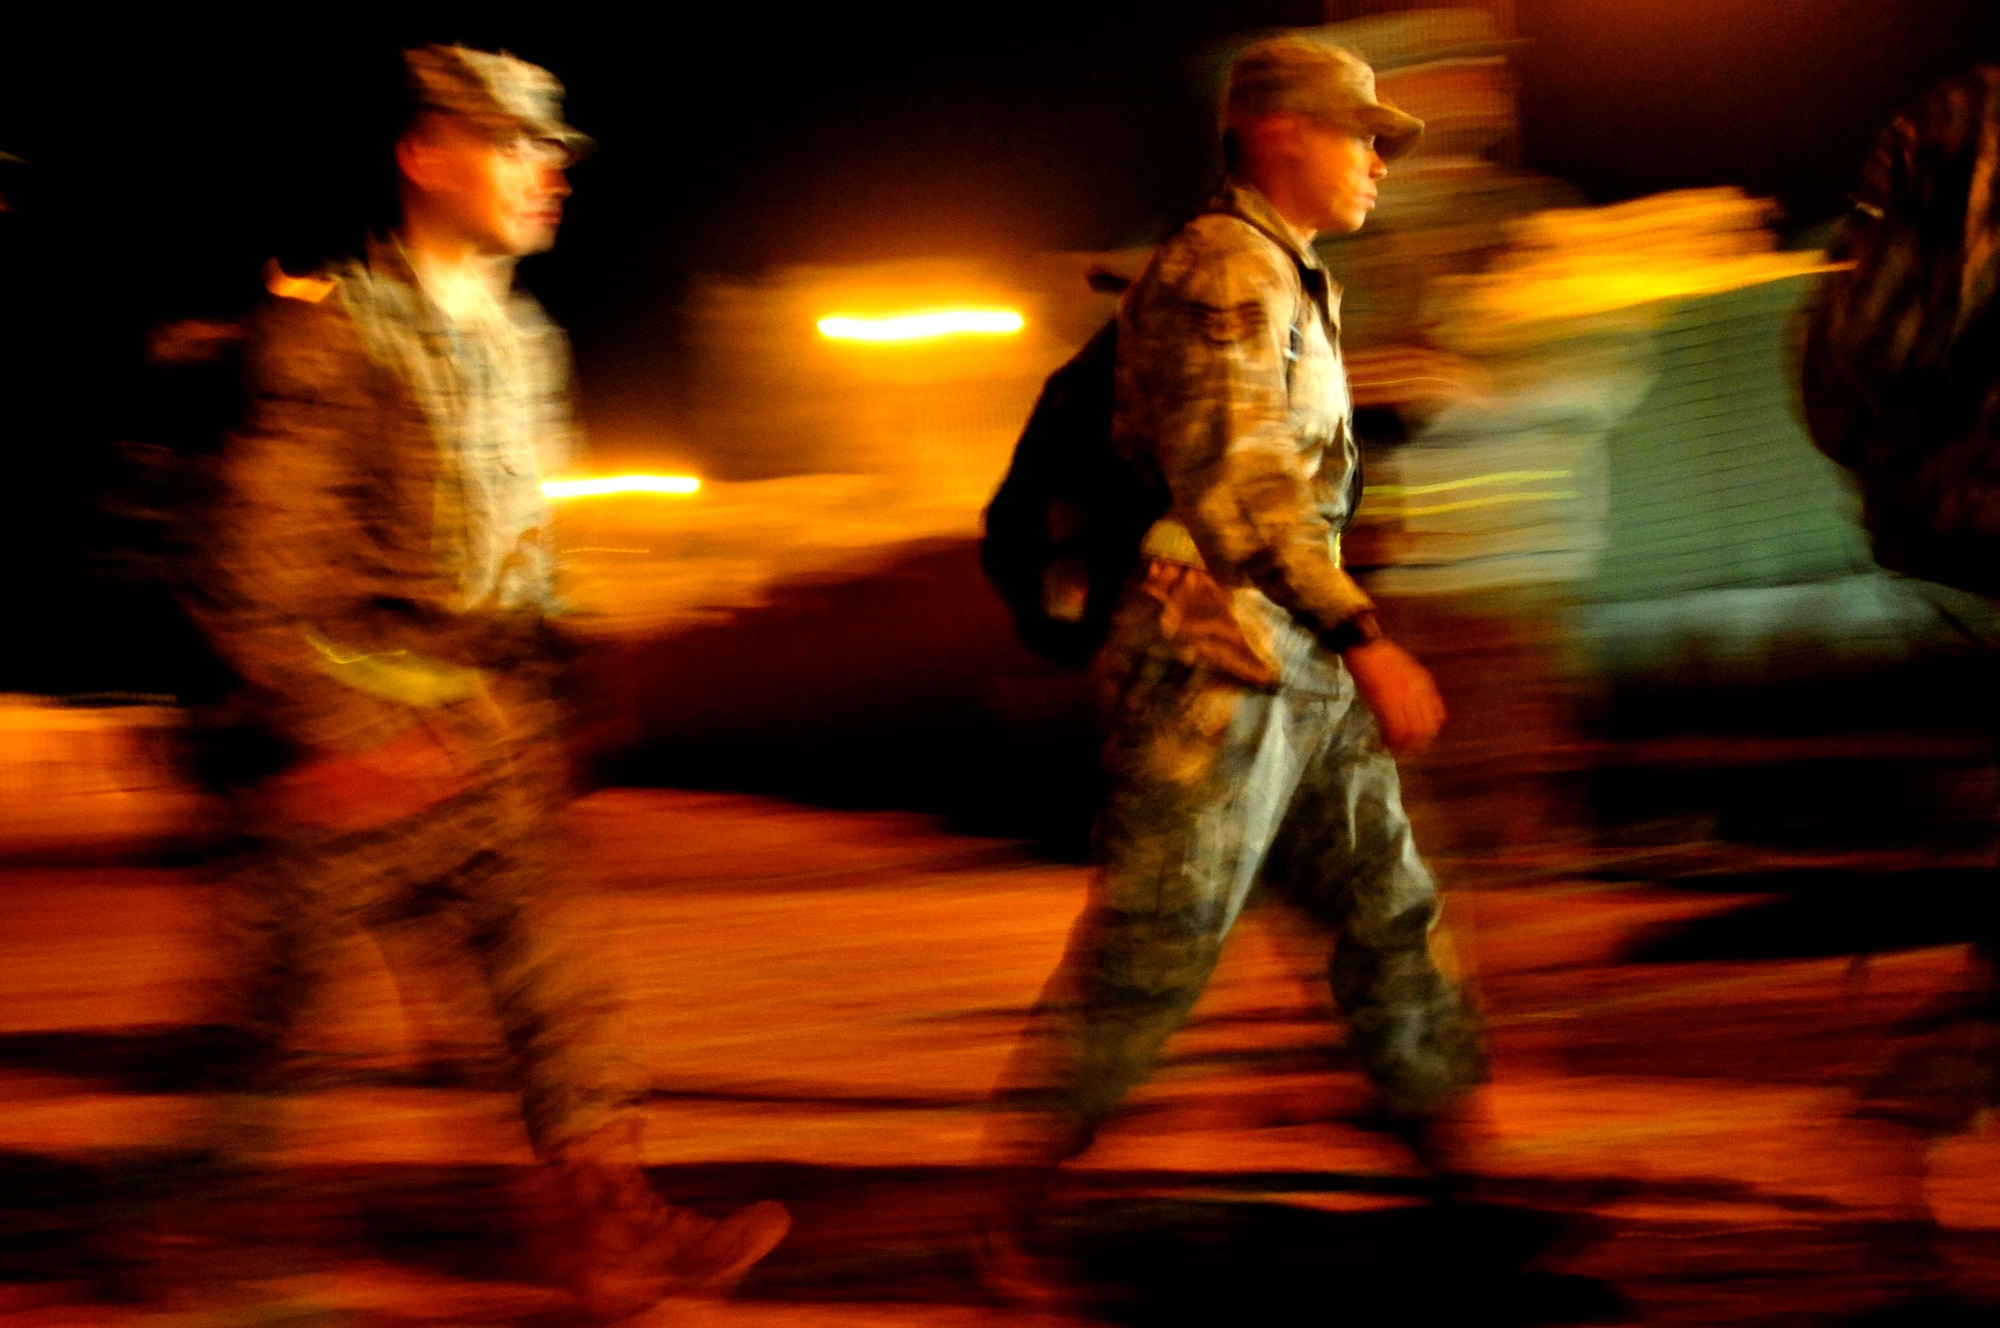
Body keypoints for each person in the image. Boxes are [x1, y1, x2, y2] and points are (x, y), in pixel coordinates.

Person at [181, 44, 788, 1321]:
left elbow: (519, 553)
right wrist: (336, 735)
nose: (547, 171)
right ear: (425, 155)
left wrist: (569, 662)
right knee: (270, 1042)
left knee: (558, 991)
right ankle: (186, 1236)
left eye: (553, 149)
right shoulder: (333, 339)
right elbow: (263, 566)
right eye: (514, 143)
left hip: (484, 744)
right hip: (347, 763)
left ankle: (612, 1226)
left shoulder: (527, 344)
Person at [982, 32, 1488, 1298]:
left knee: (1389, 912)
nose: (1381, 159)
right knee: (1156, 943)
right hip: (1210, 653)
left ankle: (1468, 1191)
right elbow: (1236, 488)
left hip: (1288, 649)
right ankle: (1000, 1217)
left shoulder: (1290, 274)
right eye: (1361, 133)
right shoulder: (1223, 269)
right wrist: (1366, 636)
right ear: (1277, 133)